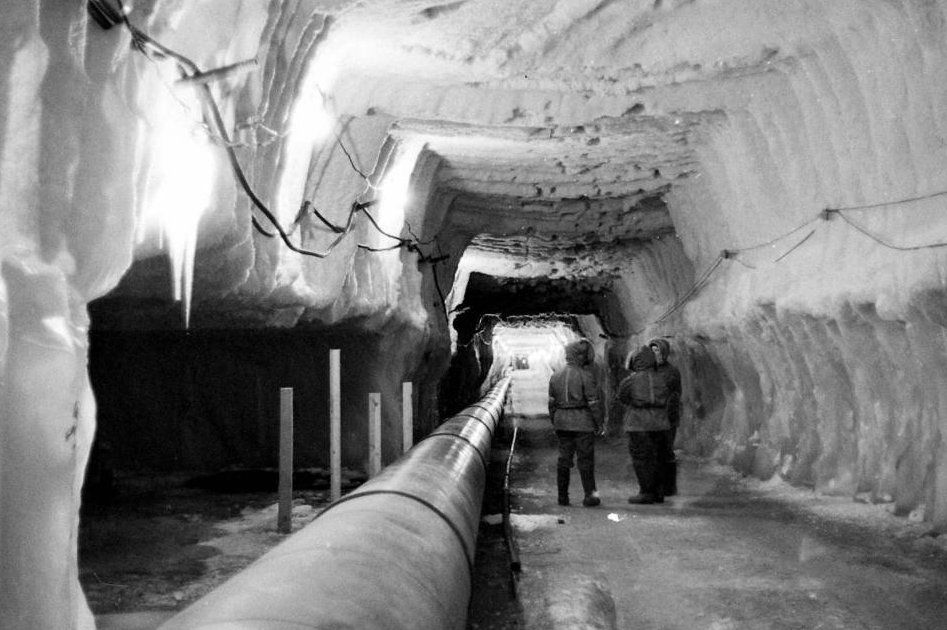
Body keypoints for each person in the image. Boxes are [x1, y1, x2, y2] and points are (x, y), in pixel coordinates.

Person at [617, 338, 681, 503]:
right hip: (661, 423)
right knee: (659, 457)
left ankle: (646, 492)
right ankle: (659, 492)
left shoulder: (631, 380)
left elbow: (622, 397)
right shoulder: (663, 378)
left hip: (638, 424)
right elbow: (671, 395)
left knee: (642, 459)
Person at [548, 339, 604, 507]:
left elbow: (551, 403)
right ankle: (590, 496)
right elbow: (593, 402)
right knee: (585, 460)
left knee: (564, 459)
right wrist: (599, 423)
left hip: (562, 421)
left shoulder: (556, 375)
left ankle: (562, 498)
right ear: (580, 356)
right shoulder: (585, 375)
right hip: (583, 422)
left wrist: (555, 421)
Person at [650, 338, 682, 496]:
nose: (655, 354)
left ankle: (669, 487)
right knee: (654, 452)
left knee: (666, 452)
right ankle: (657, 485)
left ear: (664, 352)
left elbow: (674, 396)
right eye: (652, 350)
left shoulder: (671, 372)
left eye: (657, 350)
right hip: (652, 418)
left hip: (667, 418)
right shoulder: (649, 370)